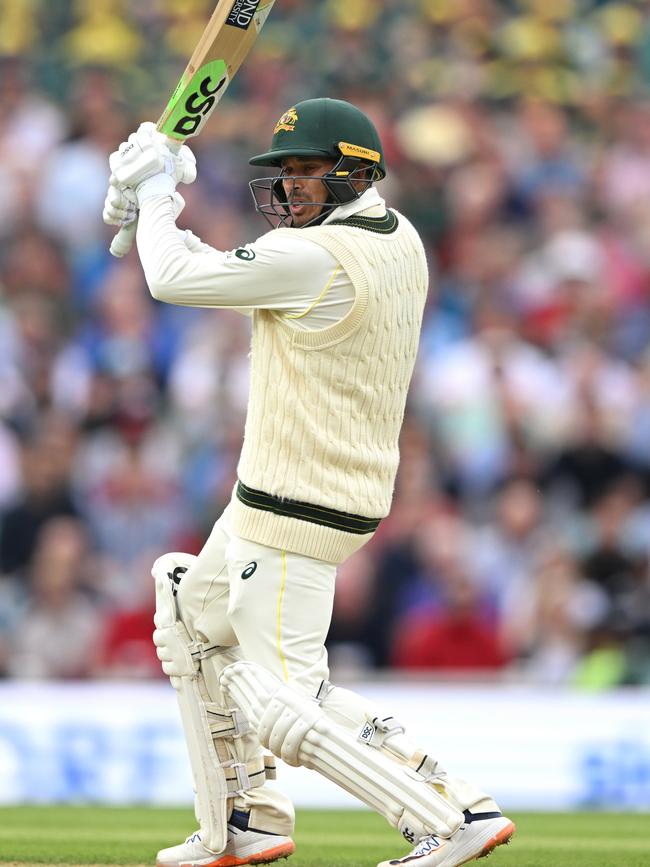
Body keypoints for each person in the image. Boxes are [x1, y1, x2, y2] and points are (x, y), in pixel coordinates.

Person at [103, 98, 515, 867]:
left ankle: (449, 813)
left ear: (355, 172)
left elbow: (175, 278)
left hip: (296, 500)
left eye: (307, 172)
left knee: (287, 698)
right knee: (189, 612)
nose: (290, 190)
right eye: (284, 174)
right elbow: (224, 268)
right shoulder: (397, 238)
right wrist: (164, 198)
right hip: (302, 490)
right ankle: (244, 819)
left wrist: (157, 195)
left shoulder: (319, 258)